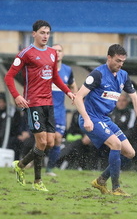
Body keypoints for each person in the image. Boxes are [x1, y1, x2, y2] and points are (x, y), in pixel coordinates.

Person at [4, 20, 75, 192]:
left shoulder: (52, 53)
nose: (45, 36)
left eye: (48, 33)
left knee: (50, 142)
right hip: (33, 103)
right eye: (42, 33)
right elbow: (8, 77)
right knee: (41, 141)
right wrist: (17, 96)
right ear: (34, 34)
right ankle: (38, 181)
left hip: (48, 103)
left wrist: (68, 92)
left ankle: (20, 165)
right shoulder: (25, 53)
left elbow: (55, 77)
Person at [73, 44, 137, 196]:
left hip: (105, 120)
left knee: (130, 152)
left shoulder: (123, 75)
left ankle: (100, 181)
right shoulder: (97, 74)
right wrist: (87, 119)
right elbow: (78, 97)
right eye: (118, 60)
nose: (120, 64)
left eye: (123, 61)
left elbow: (135, 98)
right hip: (92, 118)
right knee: (116, 144)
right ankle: (116, 188)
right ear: (109, 58)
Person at [45, 44, 78, 177]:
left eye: (59, 51)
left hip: (59, 110)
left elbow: (73, 84)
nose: (57, 53)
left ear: (63, 54)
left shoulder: (67, 70)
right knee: (46, 141)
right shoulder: (45, 68)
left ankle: (49, 168)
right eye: (54, 51)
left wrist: (74, 96)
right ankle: (34, 160)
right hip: (45, 109)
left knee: (57, 139)